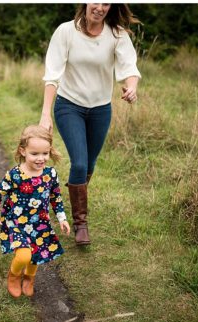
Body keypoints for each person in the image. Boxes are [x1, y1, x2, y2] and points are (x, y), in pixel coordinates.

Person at [40, 3, 141, 246]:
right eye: (96, 1)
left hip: (100, 110)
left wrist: (132, 86)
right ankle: (80, 224)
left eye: (107, 3)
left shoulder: (116, 34)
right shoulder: (65, 31)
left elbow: (130, 67)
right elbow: (52, 75)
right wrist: (45, 114)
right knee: (80, 162)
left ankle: (70, 202)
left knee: (89, 165)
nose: (100, 7)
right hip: (69, 106)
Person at [0, 126, 71, 298]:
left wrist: (62, 218)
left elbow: (56, 196)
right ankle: (14, 275)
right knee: (24, 256)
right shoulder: (15, 175)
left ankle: (29, 278)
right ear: (23, 151)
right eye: (35, 154)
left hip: (40, 222)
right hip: (16, 222)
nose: (41, 159)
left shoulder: (50, 174)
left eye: (45, 154)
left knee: (37, 254)